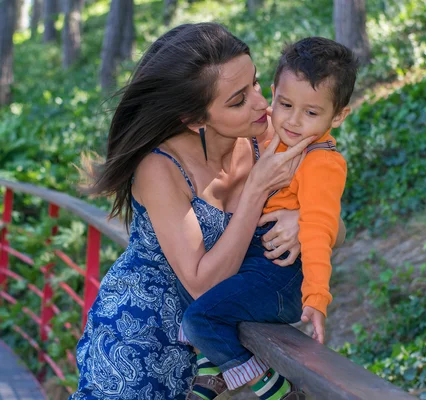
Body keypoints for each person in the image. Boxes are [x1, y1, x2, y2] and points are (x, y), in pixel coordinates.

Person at [70, 23, 333, 399]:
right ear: (195, 120)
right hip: (136, 342)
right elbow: (203, 282)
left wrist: (303, 219)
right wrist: (257, 188)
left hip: (206, 349)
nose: (263, 104)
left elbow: (331, 218)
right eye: (238, 100)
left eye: (256, 83)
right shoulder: (159, 168)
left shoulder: (271, 138)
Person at [180, 37, 357, 400]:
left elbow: (321, 230)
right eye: (286, 104)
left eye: (311, 112)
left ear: (338, 116)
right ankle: (213, 366)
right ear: (274, 94)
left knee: (199, 318)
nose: (293, 120)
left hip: (282, 277)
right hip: (257, 264)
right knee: (195, 293)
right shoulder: (280, 139)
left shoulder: (321, 162)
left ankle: (274, 391)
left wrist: (317, 298)